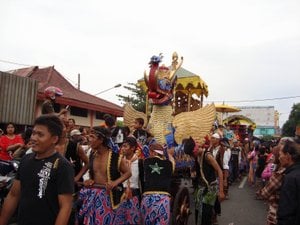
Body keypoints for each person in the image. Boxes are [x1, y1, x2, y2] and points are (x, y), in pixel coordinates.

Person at [0, 114, 74, 225]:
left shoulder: (62, 166)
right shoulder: (25, 160)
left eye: (40, 134)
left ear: (54, 139)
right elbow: (13, 195)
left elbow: (66, 207)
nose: (33, 138)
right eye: (34, 133)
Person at [78, 126, 131, 225]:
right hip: (93, 196)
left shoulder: (116, 157)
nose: (89, 139)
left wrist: (115, 183)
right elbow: (91, 172)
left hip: (109, 197)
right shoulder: (92, 155)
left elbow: (128, 173)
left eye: (92, 137)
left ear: (101, 140)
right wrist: (88, 181)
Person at [183, 136, 225, 225]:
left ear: (195, 150)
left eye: (191, 154)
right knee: (198, 212)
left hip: (210, 188)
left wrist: (221, 191)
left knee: (205, 214)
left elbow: (220, 171)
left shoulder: (207, 156)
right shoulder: (197, 156)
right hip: (201, 188)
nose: (191, 156)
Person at [140, 143, 175, 225]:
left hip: (148, 199)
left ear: (153, 152)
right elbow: (172, 161)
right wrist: (169, 154)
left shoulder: (146, 162)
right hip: (163, 200)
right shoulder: (169, 164)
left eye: (150, 152)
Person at [115, 137, 143, 225]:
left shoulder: (139, 163)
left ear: (133, 148)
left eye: (125, 146)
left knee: (133, 221)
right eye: (122, 146)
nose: (122, 149)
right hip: (120, 194)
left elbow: (142, 181)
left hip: (134, 195)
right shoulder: (118, 162)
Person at [277, 138, 300, 225]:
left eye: (280, 155)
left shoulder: (290, 178)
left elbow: (286, 211)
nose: (279, 158)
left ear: (288, 156)